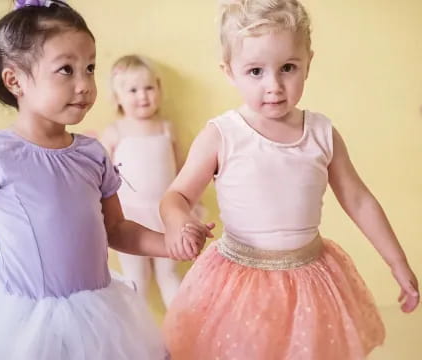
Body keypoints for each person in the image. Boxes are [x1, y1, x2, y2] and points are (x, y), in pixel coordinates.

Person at [160, 0, 420, 359]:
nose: (274, 86)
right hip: (239, 282)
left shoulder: (321, 132)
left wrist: (397, 261)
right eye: (255, 71)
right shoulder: (222, 135)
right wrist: (177, 223)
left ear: (308, 63)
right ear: (229, 71)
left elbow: (359, 200)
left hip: (309, 281)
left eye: (288, 68)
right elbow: (177, 195)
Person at [0, 1, 198, 358]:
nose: (84, 85)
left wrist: (169, 243)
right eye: (66, 70)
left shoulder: (92, 154)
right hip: (25, 323)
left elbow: (117, 229)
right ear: (15, 80)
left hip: (98, 318)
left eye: (90, 68)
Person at [98, 55, 186, 307]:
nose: (143, 96)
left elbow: (181, 169)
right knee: (136, 277)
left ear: (159, 88)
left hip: (164, 215)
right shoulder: (116, 132)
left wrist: (186, 204)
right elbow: (100, 177)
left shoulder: (166, 129)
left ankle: (181, 332)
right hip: (128, 217)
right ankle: (135, 333)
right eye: (133, 90)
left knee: (169, 273)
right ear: (117, 97)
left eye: (149, 88)